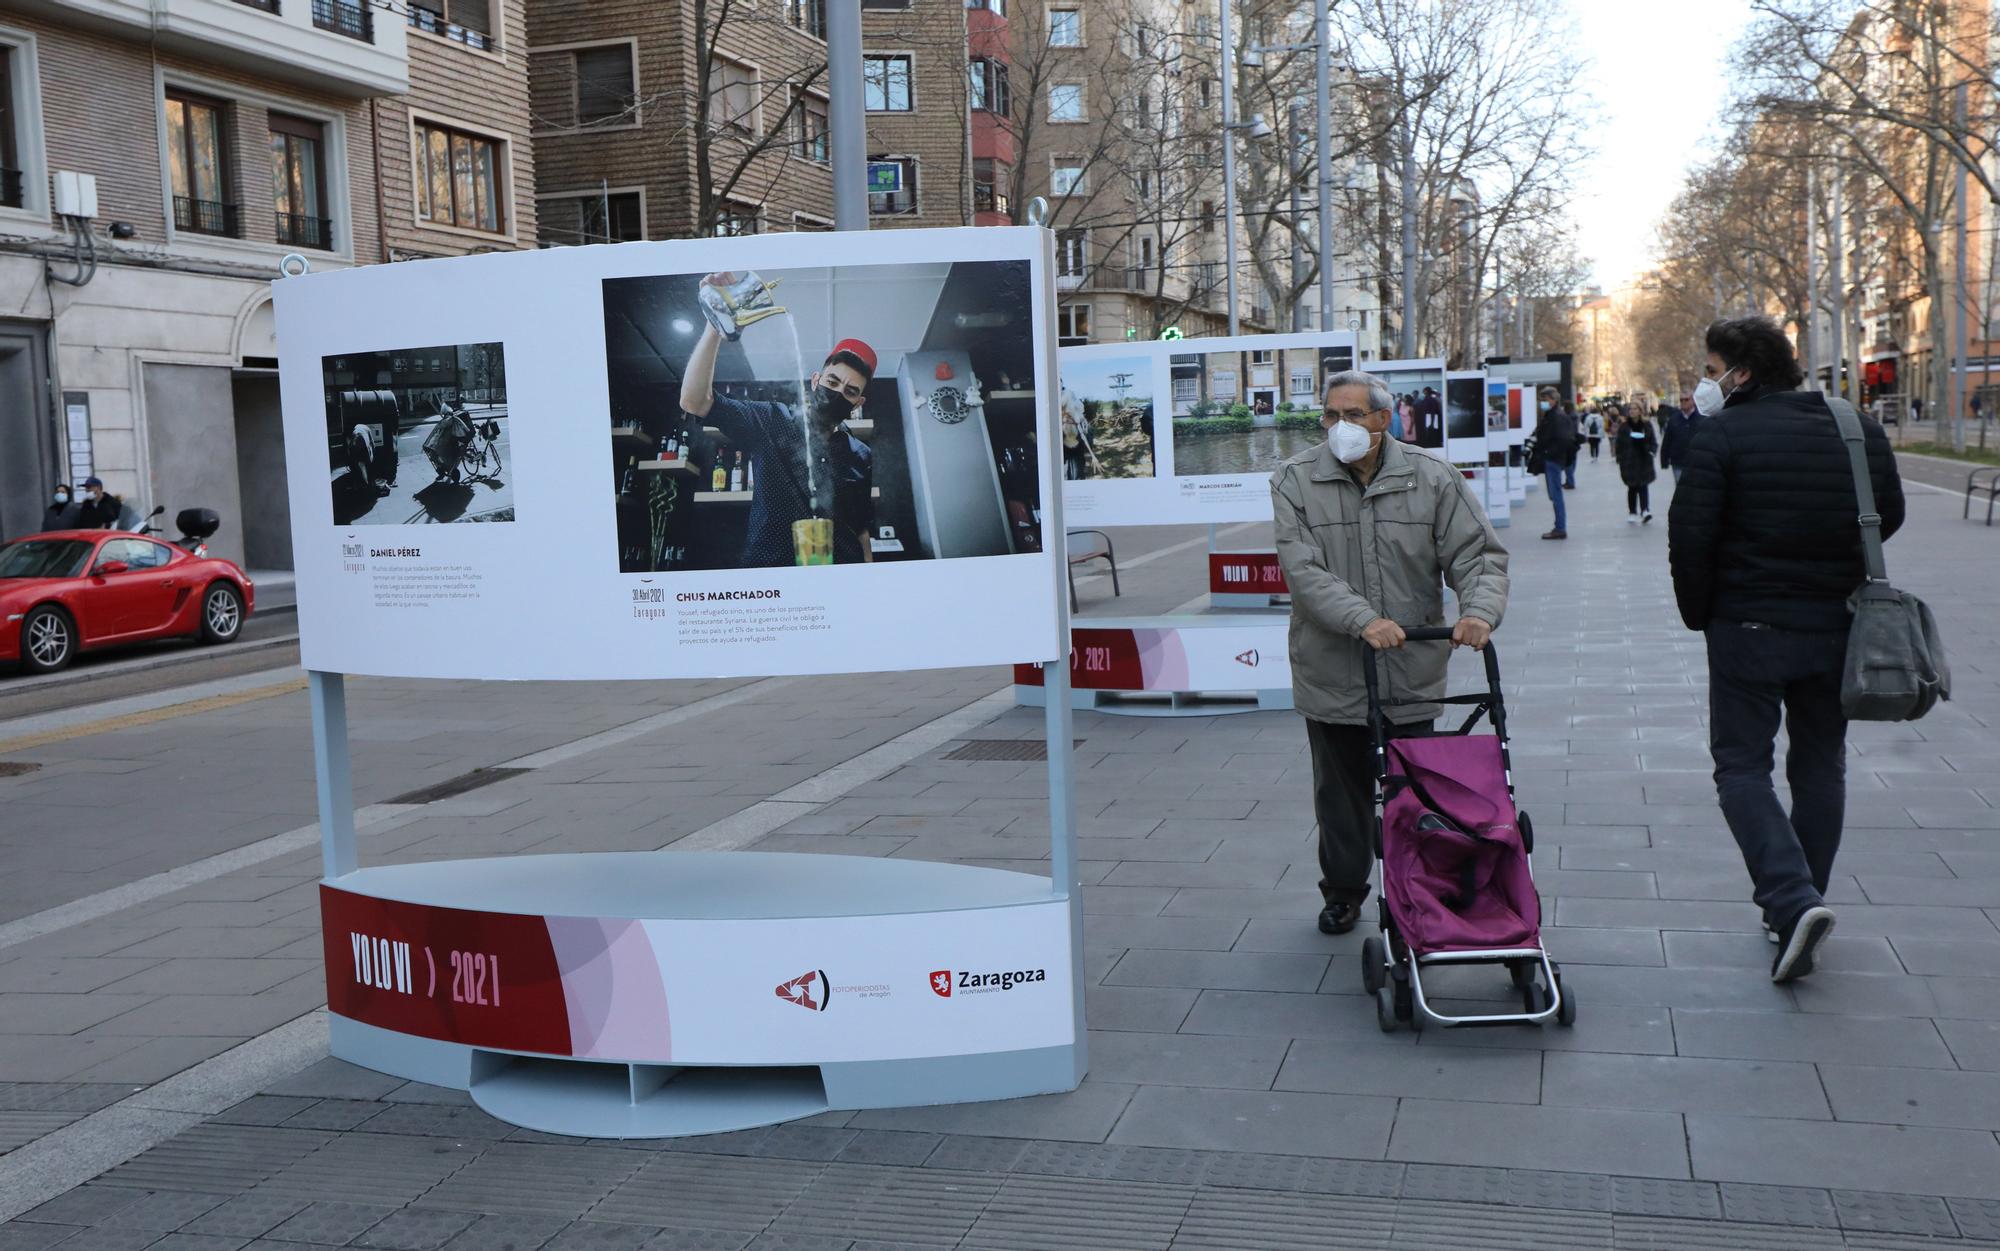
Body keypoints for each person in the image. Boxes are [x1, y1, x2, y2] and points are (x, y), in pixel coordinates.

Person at [1668, 316, 1905, 984]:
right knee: (1821, 763)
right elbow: (1888, 514)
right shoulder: (1855, 426)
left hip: (1747, 627)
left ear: (1742, 373)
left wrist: (1701, 614)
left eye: (1712, 369)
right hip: (1837, 625)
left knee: (1741, 766)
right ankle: (1797, 907)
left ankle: (1792, 897)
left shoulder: (1721, 435)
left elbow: (1691, 536)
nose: (1705, 382)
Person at [1271, 369, 1509, 936]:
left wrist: (1478, 612)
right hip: (1331, 666)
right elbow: (1303, 571)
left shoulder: (1432, 477)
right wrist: (1362, 620)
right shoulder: (1294, 479)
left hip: (1411, 667)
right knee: (1341, 795)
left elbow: (1478, 555)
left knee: (1417, 786)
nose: (1339, 427)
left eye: (1352, 415)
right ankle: (1345, 890)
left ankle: (1425, 888)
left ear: (1384, 419)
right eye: (1330, 415)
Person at [681, 272, 875, 566]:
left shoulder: (861, 454)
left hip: (841, 575)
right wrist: (714, 325)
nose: (838, 393)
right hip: (771, 573)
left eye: (850, 391)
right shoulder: (771, 420)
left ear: (858, 403)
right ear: (815, 381)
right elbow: (695, 402)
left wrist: (868, 578)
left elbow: (861, 529)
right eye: (832, 382)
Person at [1531, 386, 1578, 540]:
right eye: (1541, 400)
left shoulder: (1556, 416)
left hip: (1553, 459)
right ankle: (1559, 526)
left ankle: (1560, 527)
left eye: (1545, 400)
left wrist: (1548, 453)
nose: (1542, 403)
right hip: (1552, 459)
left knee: (1555, 494)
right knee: (1554, 494)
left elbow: (1563, 439)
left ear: (1553, 400)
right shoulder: (1553, 415)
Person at [1616, 403, 1658, 522]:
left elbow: (1653, 441)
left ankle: (1645, 510)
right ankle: (1632, 511)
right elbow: (1619, 444)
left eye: (1635, 409)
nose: (1632, 411)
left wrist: (1652, 452)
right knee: (1632, 487)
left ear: (1640, 411)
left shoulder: (1646, 425)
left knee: (1643, 486)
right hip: (1629, 461)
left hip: (1644, 459)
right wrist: (1620, 458)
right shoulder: (1624, 426)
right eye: (1630, 409)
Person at [1659, 399, 1697, 483]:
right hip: (1677, 461)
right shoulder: (1674, 419)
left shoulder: (1701, 418)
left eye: (1686, 399)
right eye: (1681, 400)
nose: (1683, 402)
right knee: (1680, 486)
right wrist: (1664, 459)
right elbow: (1667, 440)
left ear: (1693, 401)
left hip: (1695, 462)